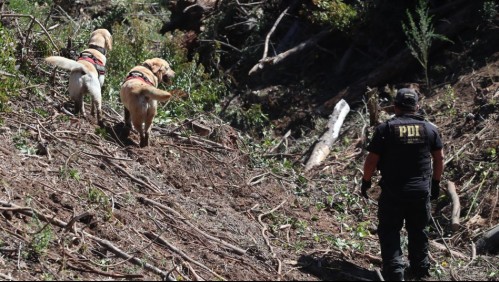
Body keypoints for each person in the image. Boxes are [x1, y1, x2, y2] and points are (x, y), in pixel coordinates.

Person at [361, 88, 444, 281]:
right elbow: (439, 159)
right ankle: (420, 272)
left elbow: (371, 161)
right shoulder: (430, 129)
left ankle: (395, 272)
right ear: (416, 106)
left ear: (396, 106)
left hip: (393, 192)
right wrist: (436, 183)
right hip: (420, 192)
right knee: (419, 230)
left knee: (389, 231)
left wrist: (366, 182)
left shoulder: (386, 129)